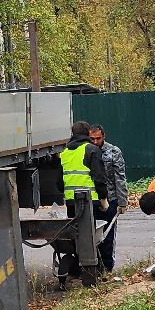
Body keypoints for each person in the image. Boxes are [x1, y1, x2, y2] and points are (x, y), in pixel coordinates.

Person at [56, 120, 112, 281]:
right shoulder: (92, 150)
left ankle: (75, 268)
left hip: (71, 203)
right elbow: (99, 178)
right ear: (88, 133)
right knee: (90, 237)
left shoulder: (64, 153)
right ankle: (92, 270)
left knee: (75, 235)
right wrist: (103, 198)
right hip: (90, 202)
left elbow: (59, 183)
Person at [87, 124, 126, 272]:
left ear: (104, 136)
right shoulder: (86, 151)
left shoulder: (113, 151)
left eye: (98, 138)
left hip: (110, 199)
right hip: (92, 199)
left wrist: (122, 202)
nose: (95, 142)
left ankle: (107, 267)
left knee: (107, 236)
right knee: (91, 236)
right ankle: (93, 267)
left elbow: (120, 177)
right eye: (92, 139)